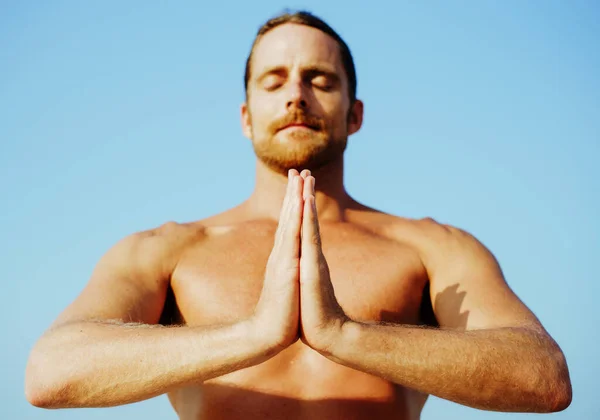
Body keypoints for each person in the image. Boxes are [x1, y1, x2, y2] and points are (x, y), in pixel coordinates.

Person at [25, 10, 572, 420]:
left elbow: (544, 377)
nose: (297, 95)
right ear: (246, 116)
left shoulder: (434, 248)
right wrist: (253, 334)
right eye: (274, 80)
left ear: (354, 114)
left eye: (320, 79)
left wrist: (343, 334)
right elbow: (51, 372)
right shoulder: (166, 249)